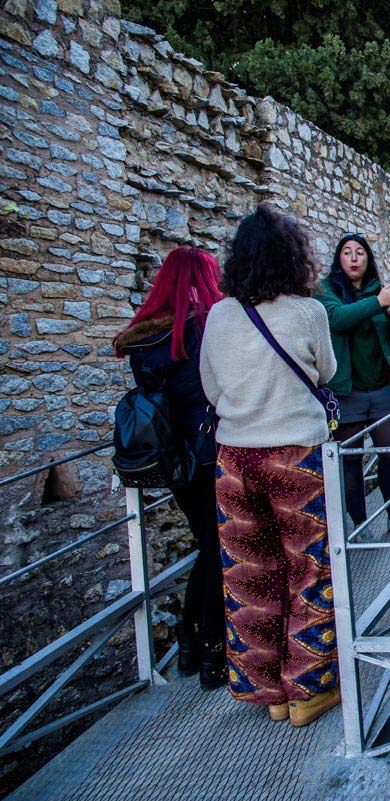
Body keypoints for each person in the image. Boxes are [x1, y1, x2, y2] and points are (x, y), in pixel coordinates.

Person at [199, 204, 341, 727]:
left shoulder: (219, 315)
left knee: (249, 576)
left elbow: (211, 388)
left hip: (234, 458)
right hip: (296, 457)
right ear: (293, 257)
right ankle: (307, 691)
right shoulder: (309, 312)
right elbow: (327, 371)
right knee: (308, 568)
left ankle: (268, 695)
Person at [114, 246, 225, 689]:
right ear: (204, 277)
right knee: (218, 548)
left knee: (206, 544)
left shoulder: (144, 337)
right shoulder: (204, 325)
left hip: (170, 457)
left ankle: (188, 640)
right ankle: (212, 653)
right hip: (207, 450)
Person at [316, 234, 390, 536]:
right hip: (346, 391)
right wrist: (377, 303)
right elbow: (336, 320)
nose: (353, 258)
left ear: (367, 259)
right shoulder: (327, 291)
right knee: (351, 461)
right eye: (347, 252)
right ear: (339, 259)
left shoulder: (379, 290)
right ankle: (360, 525)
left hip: (381, 389)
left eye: (360, 252)